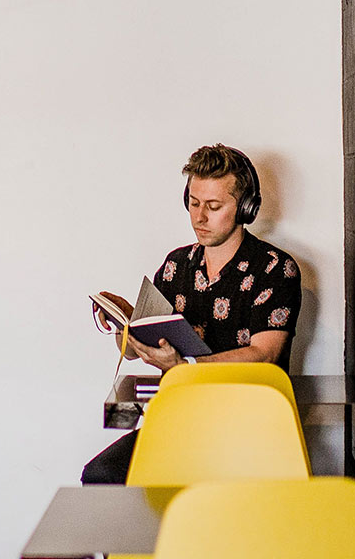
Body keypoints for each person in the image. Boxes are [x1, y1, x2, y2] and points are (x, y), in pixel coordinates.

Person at [81, 143, 302, 484]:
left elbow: (265, 354)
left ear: (245, 208)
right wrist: (126, 326)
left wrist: (186, 366)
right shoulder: (176, 265)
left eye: (214, 206)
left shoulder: (275, 268)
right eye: (194, 203)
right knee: (100, 475)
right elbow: (134, 351)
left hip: (248, 427)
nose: (199, 217)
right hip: (180, 420)